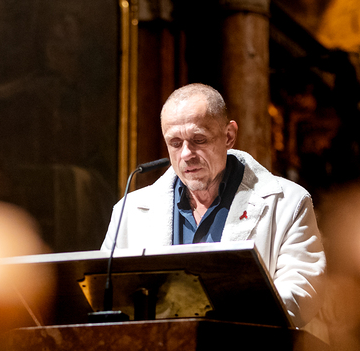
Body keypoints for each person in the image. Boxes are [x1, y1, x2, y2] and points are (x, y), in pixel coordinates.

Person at [101, 84, 326, 328]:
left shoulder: (288, 202)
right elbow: (105, 297)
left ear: (229, 136)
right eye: (175, 143)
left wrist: (222, 323)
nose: (186, 154)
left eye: (198, 140)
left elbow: (302, 291)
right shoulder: (130, 210)